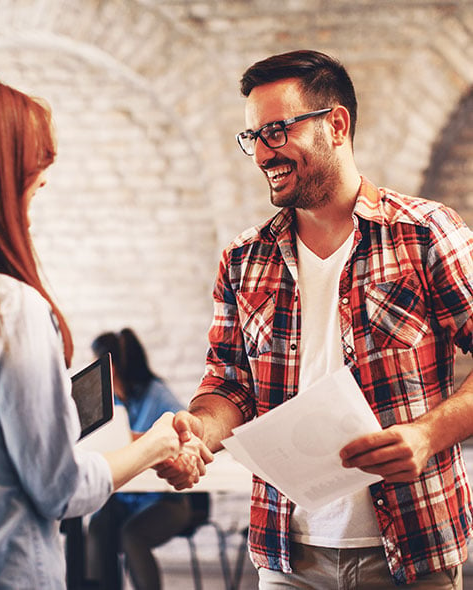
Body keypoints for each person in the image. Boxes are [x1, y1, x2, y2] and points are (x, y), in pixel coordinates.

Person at [156, 50, 473, 589]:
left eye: (276, 131)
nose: (260, 152)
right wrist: (199, 433)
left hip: (412, 549)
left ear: (337, 125)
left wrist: (425, 435)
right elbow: (228, 384)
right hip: (287, 557)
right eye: (252, 136)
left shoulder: (425, 233)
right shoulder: (243, 258)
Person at [0, 76, 208, 589]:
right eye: (32, 181)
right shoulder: (9, 310)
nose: (36, 200)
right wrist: (158, 443)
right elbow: (62, 490)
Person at [87, 328, 205, 590]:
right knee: (97, 526)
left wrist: (133, 439)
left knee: (132, 536)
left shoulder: (158, 394)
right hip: (127, 498)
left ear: (111, 369)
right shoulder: (114, 401)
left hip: (166, 500)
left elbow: (184, 438)